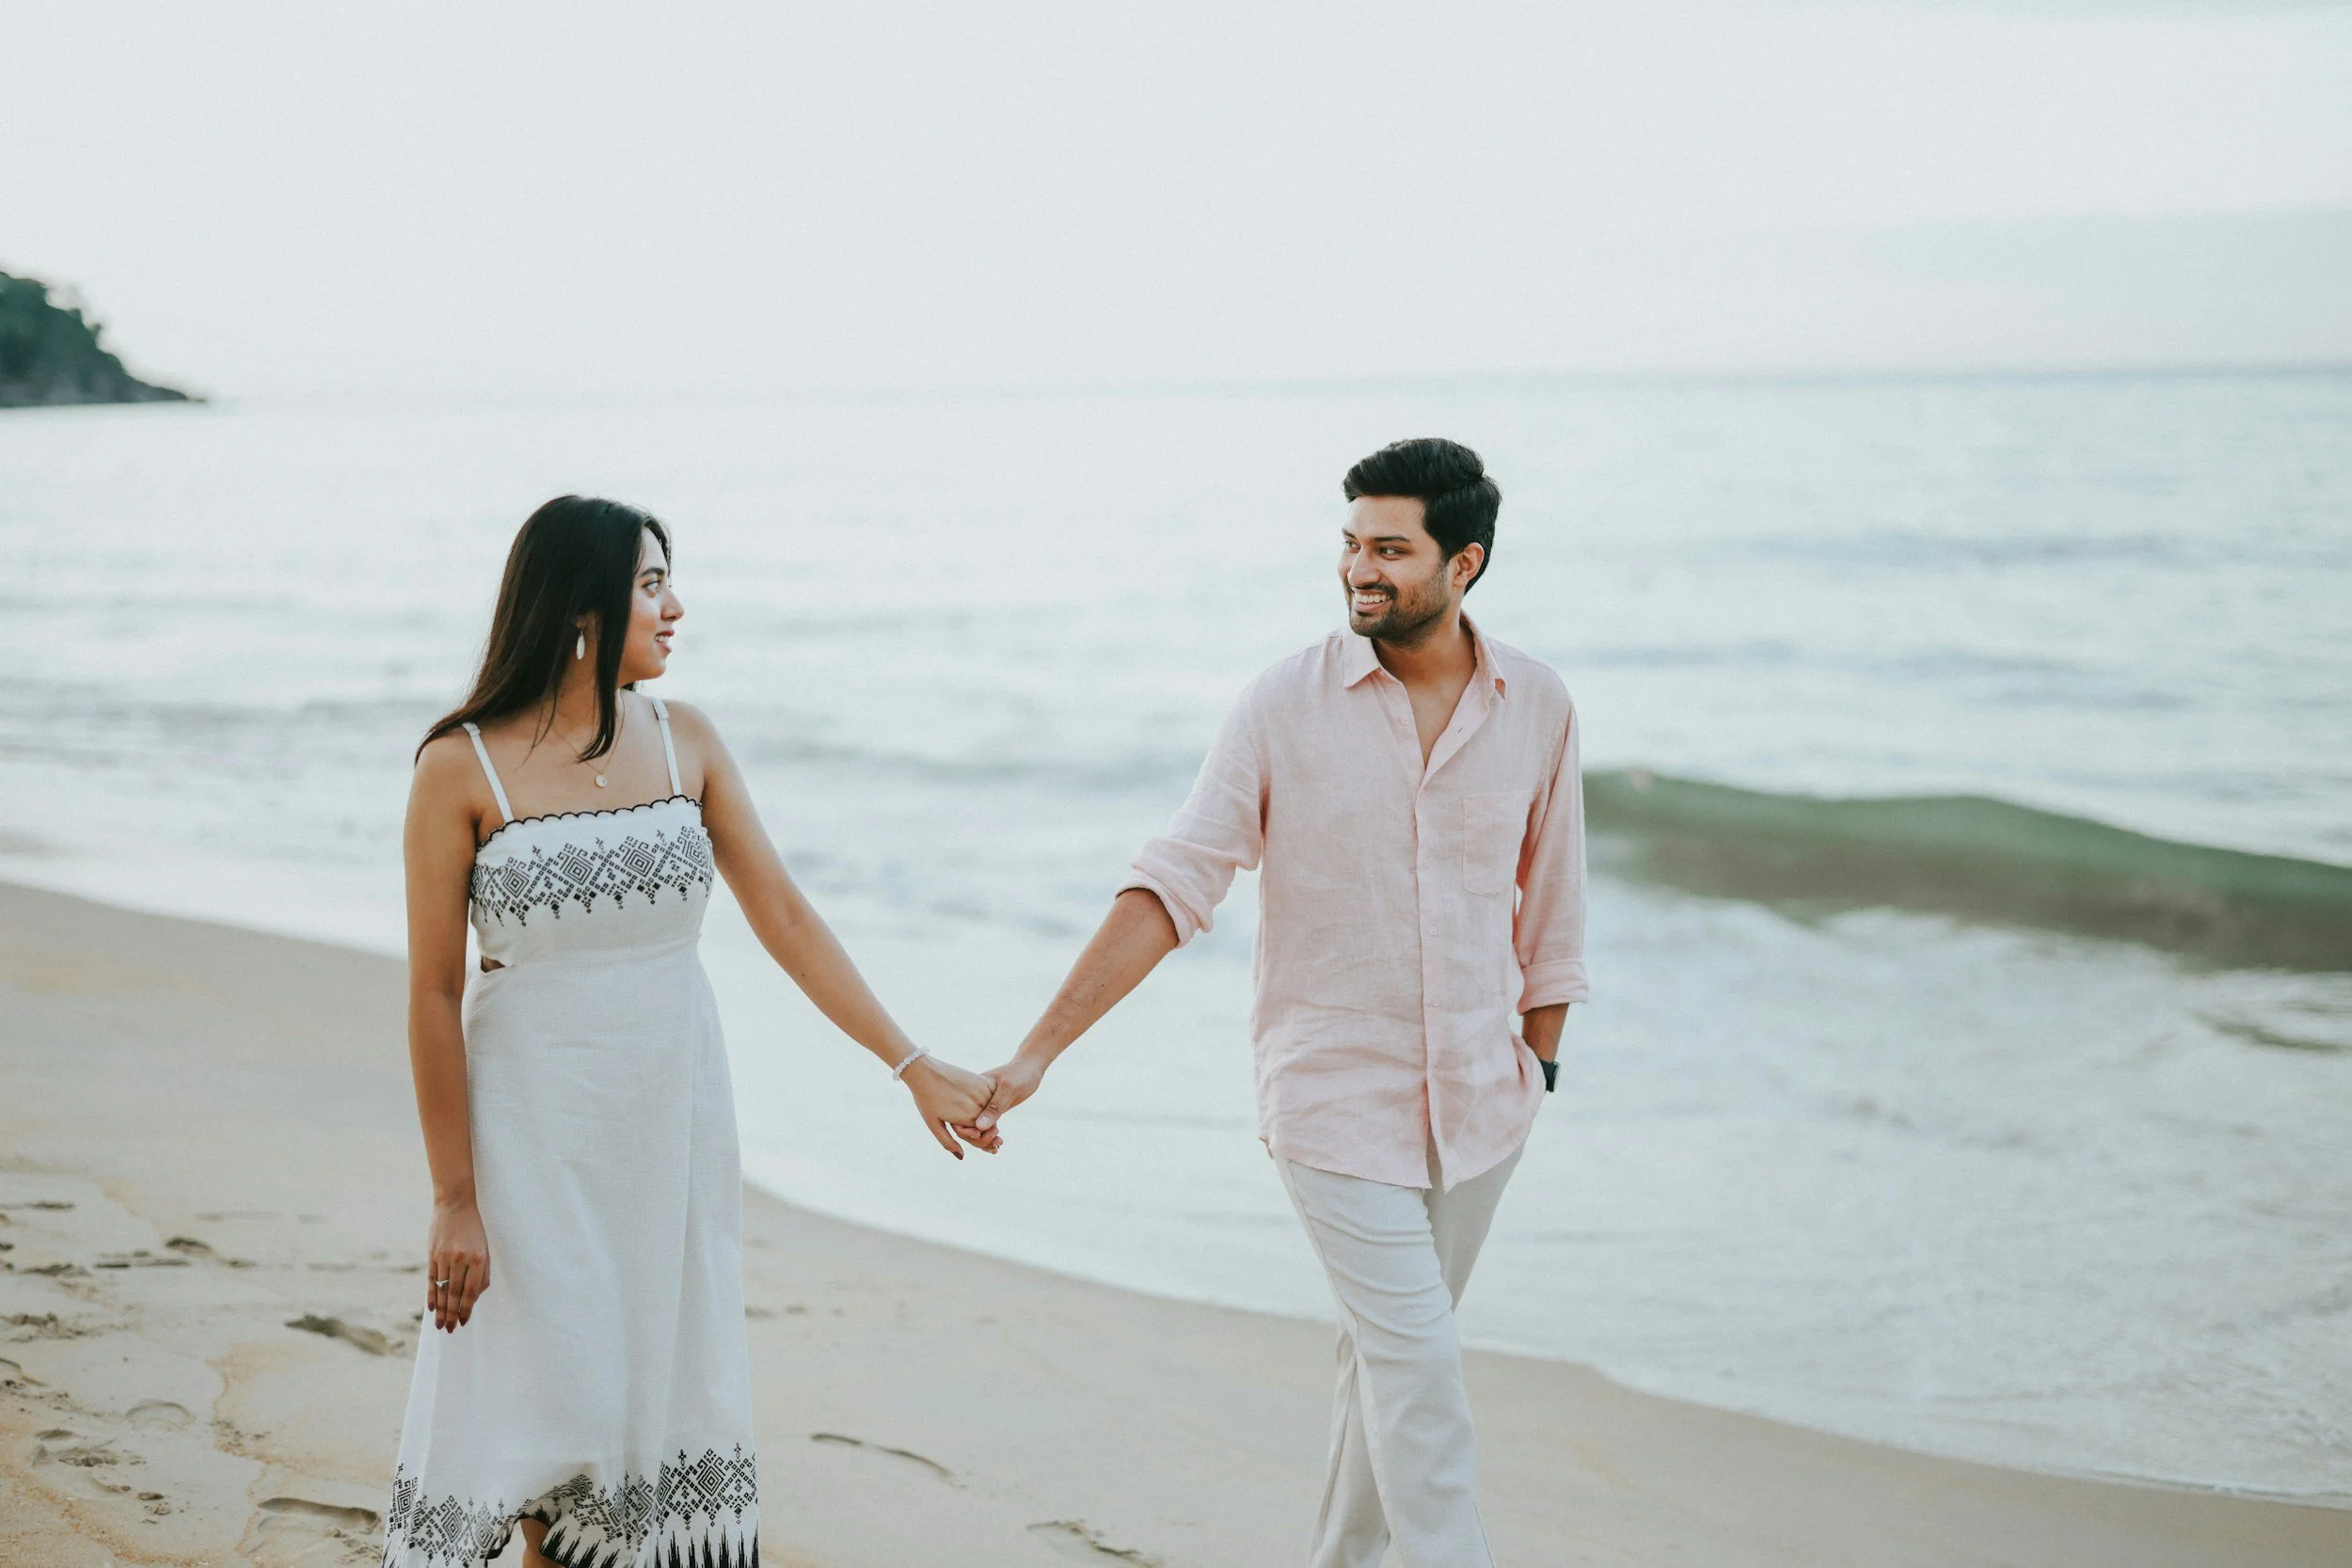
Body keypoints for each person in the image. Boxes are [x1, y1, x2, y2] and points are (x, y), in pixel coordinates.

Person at [976, 438, 1587, 1567]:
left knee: (1388, 1358)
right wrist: (1036, 1052)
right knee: (1420, 1365)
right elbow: (1175, 879)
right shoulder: (1281, 704)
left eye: (1389, 549)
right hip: (1331, 1099)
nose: (1360, 568)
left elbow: (1553, 903)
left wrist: (1537, 1062)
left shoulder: (1536, 704)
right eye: (1350, 543)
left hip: (1482, 1100)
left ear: (1465, 562)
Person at [383, 496, 998, 1568]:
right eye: (651, 583)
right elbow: (433, 991)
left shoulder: (688, 743)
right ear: (581, 606)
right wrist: (453, 1197)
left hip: (667, 1123)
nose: (677, 607)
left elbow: (789, 917)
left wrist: (910, 1062)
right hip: (531, 1137)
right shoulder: (458, 767)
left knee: (638, 1426)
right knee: (553, 1416)